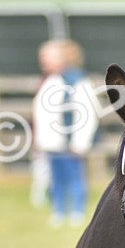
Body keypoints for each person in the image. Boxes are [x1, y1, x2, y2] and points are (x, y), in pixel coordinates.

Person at [32, 39, 98, 227]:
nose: (43, 63)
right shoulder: (51, 81)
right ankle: (59, 210)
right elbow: (43, 113)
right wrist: (40, 138)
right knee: (57, 178)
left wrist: (80, 142)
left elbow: (86, 114)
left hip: (70, 143)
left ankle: (77, 210)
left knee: (75, 177)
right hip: (52, 142)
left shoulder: (78, 81)